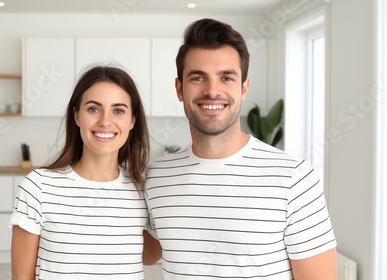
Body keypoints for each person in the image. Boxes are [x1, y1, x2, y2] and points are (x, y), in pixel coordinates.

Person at [144, 18, 337, 279]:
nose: (212, 91)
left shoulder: (294, 177)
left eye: (226, 77)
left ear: (244, 88)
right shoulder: (158, 175)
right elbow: (147, 253)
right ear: (180, 89)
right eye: (198, 77)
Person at [10, 66, 160, 280]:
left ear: (132, 120)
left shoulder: (142, 189)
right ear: (77, 115)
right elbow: (21, 275)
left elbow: (147, 255)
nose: (105, 121)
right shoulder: (39, 186)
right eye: (93, 109)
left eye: (118, 110)